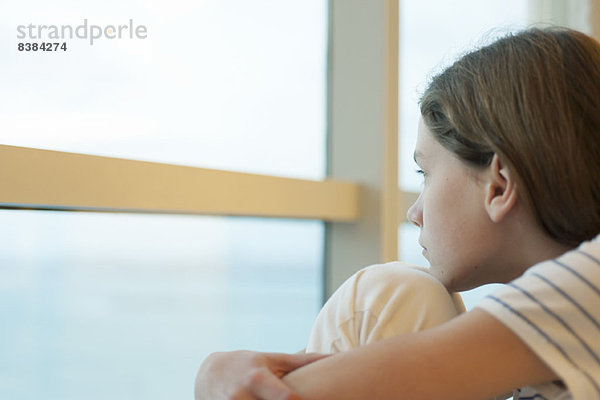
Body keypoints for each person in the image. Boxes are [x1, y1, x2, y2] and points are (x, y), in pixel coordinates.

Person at [195, 27, 600, 400]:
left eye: (426, 173)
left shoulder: (590, 284)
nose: (414, 212)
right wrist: (219, 370)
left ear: (499, 185)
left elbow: (289, 392)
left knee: (398, 288)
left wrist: (210, 374)